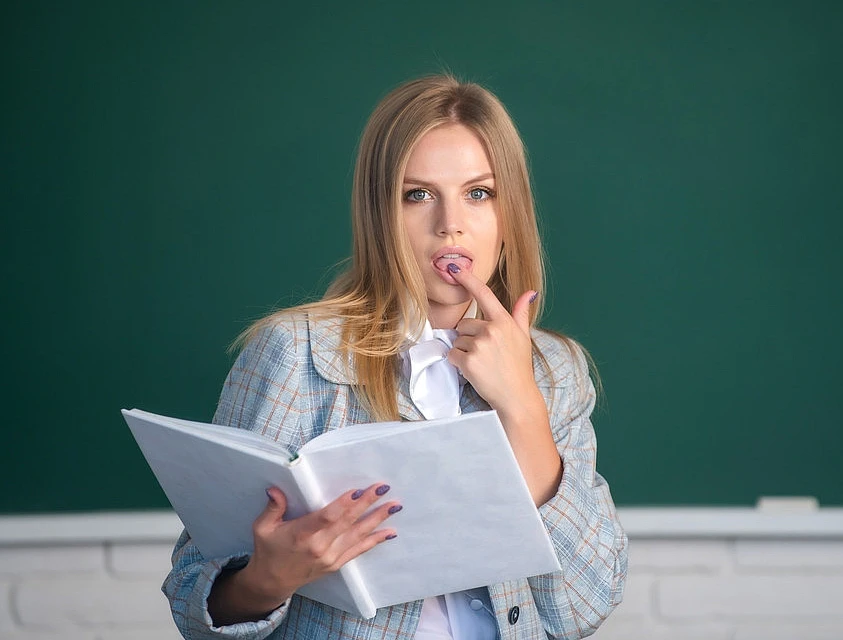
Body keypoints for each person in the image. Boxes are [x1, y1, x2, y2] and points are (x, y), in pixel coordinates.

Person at [163, 74, 628, 640]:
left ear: (511, 214)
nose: (449, 223)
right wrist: (264, 580)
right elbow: (193, 597)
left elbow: (585, 605)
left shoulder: (555, 371)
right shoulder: (296, 353)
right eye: (418, 195)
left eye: (479, 193)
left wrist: (523, 407)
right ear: (380, 211)